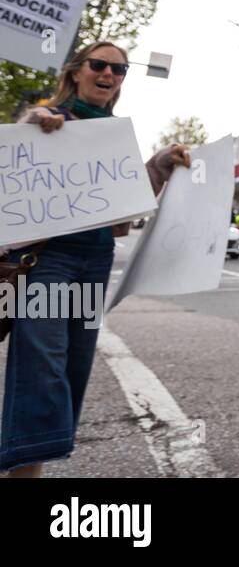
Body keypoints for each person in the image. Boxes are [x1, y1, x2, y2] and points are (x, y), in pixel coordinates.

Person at [1, 41, 190, 477]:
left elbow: (120, 217)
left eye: (119, 69)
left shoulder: (113, 132)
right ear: (75, 71)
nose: (109, 74)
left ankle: (29, 469)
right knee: (42, 370)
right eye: (99, 64)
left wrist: (159, 163)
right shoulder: (47, 119)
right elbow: (14, 179)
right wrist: (34, 125)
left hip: (94, 261)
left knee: (69, 369)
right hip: (48, 263)